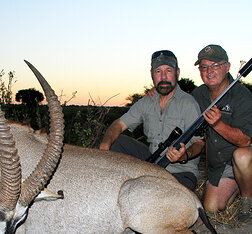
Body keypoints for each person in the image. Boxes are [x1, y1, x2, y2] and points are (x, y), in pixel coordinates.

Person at [99, 50, 203, 191]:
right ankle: (113, 187)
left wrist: (184, 155)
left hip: (180, 172)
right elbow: (119, 124)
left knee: (167, 203)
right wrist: (105, 147)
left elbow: (199, 143)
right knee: (116, 141)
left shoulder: (188, 103)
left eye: (168, 71)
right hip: (152, 165)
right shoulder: (147, 101)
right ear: (152, 74)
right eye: (158, 71)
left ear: (177, 73)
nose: (164, 77)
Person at [190, 44, 252, 222]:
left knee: (241, 156)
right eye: (204, 67)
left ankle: (247, 200)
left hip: (244, 157)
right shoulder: (198, 94)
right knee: (212, 208)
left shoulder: (242, 95)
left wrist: (218, 124)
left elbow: (245, 141)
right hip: (220, 166)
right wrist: (157, 93)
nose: (209, 71)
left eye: (215, 65)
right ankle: (240, 184)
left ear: (227, 67)